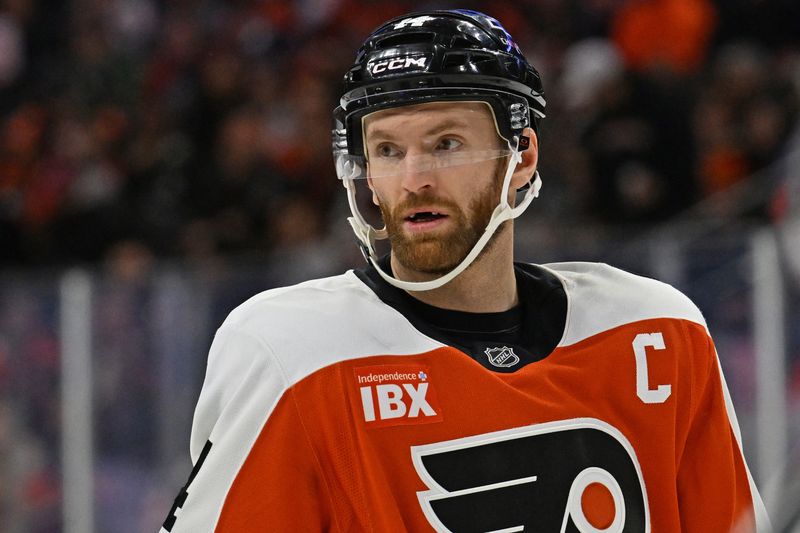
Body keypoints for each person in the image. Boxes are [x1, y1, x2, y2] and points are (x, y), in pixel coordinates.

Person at [161, 9, 770, 532]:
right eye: (389, 150)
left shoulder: (657, 332)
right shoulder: (292, 355)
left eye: (446, 143)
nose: (413, 178)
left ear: (523, 155)